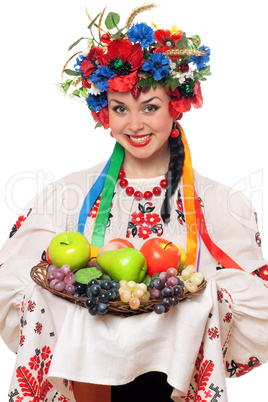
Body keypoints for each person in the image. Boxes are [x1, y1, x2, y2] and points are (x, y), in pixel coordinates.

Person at [0, 4, 267, 402]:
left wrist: (202, 298)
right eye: (120, 108)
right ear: (103, 112)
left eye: (151, 107)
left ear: (176, 106)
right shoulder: (66, 195)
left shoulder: (219, 202)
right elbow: (17, 285)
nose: (135, 124)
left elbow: (255, 303)